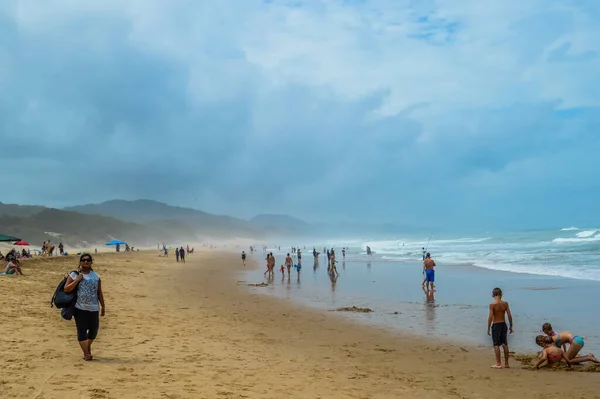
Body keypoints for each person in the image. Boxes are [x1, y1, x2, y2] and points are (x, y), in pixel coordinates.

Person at [63, 254, 105, 361]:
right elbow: (66, 289)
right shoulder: (74, 274)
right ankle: (86, 353)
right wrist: (77, 280)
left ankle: (87, 346)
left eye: (88, 260)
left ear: (91, 262)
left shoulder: (96, 276)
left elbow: (99, 292)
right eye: (83, 260)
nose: (86, 262)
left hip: (94, 308)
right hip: (79, 308)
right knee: (81, 331)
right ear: (80, 262)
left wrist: (103, 306)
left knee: (93, 332)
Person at [487, 287, 513, 369]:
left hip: (496, 324)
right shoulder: (505, 304)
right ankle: (507, 363)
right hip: (503, 324)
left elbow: (490, 317)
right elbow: (509, 315)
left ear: (492, 295)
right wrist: (511, 325)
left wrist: (488, 328)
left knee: (496, 344)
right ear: (501, 294)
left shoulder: (492, 305)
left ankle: (498, 363)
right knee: (504, 343)